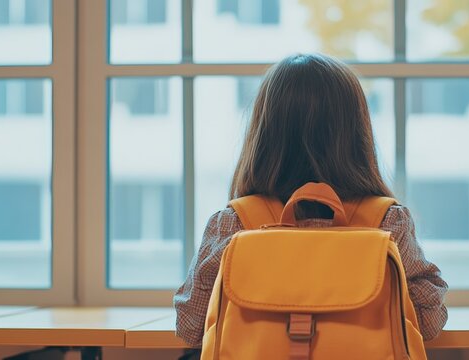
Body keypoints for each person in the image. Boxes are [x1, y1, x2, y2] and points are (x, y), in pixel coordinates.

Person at [174, 53, 448, 349]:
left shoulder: (235, 224)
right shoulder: (386, 222)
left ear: (264, 135)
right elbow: (429, 322)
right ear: (357, 135)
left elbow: (191, 326)